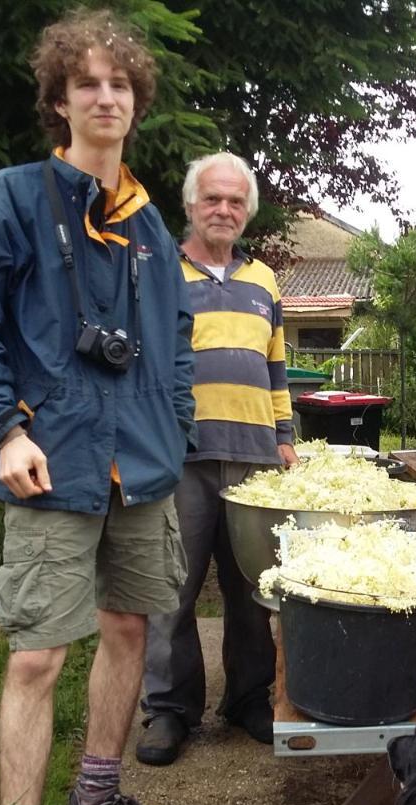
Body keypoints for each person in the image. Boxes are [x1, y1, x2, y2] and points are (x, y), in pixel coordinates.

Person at [0, 10, 195, 805]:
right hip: (52, 459)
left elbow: (175, 337)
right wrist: (5, 431)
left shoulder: (153, 224)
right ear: (59, 100)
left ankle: (98, 794)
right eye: (86, 82)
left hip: (144, 466)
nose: (104, 96)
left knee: (130, 627)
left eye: (119, 83)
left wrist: (176, 424)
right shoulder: (13, 198)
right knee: (38, 654)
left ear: (136, 102)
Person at [136, 151, 297, 766]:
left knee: (253, 590)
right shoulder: (160, 272)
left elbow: (276, 365)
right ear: (190, 205)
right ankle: (170, 711)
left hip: (255, 457)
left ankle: (249, 698)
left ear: (247, 211)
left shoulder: (265, 282)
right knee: (170, 589)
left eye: (235, 201)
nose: (224, 210)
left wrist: (284, 434)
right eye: (213, 199)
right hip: (182, 457)